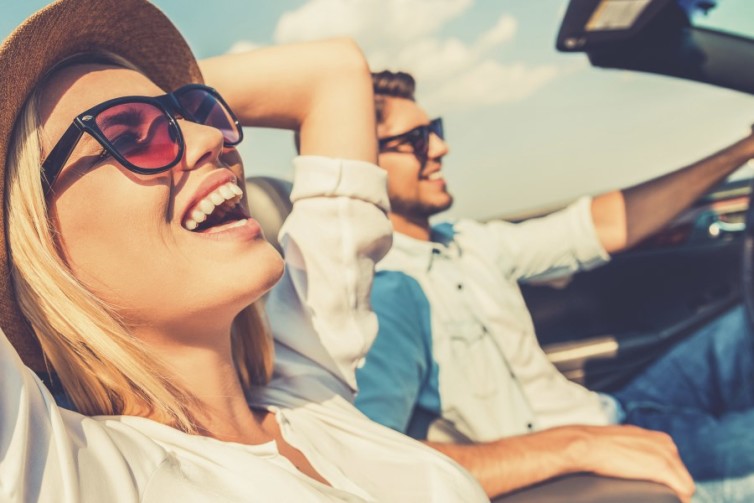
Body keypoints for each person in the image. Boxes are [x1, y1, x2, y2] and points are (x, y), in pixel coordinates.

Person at [0, 2, 488, 501]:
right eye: (131, 133)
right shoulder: (71, 469)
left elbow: (335, 73)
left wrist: (168, 85)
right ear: (40, 239)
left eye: (197, 112)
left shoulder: (305, 378)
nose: (212, 137)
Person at [354, 70, 754, 501]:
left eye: (434, 130)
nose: (440, 148)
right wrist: (571, 448)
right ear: (362, 165)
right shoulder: (383, 294)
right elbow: (379, 461)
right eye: (415, 139)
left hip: (610, 410)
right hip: (590, 467)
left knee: (737, 328)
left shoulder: (468, 243)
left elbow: (599, 225)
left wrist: (744, 150)